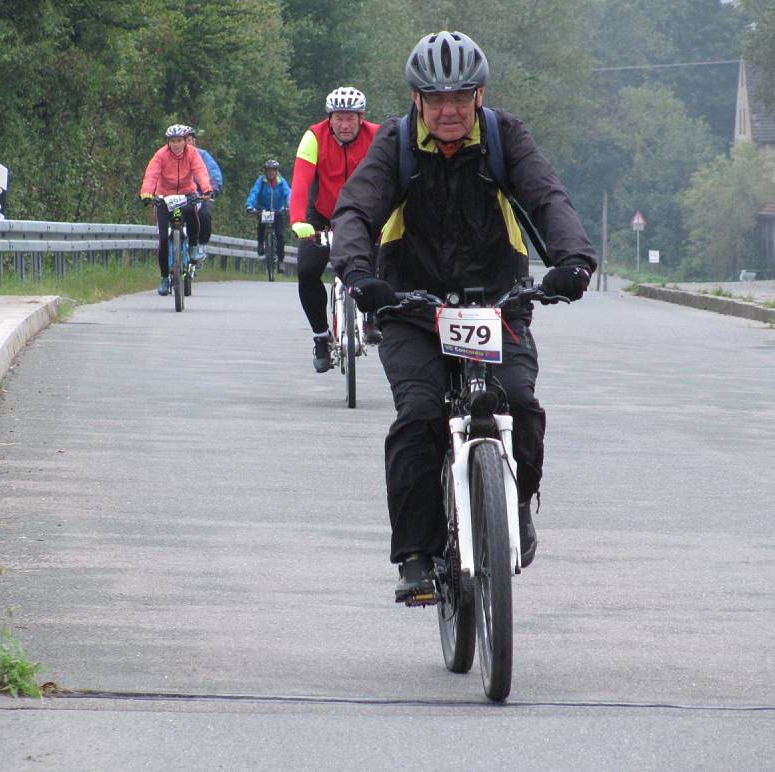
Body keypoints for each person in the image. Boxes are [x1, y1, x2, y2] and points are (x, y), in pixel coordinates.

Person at [330, 31, 597, 603]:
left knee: (519, 404)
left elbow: (548, 198)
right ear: (417, 100)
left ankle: (518, 503)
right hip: (410, 307)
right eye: (436, 99)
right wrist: (359, 275)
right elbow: (356, 209)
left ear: (478, 96)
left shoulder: (505, 138)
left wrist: (572, 262)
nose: (448, 110)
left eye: (460, 97)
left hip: (497, 303)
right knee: (421, 412)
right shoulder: (396, 145)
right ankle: (417, 555)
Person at [290, 86, 381, 372]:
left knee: (382, 262)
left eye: (350, 118)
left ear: (362, 118)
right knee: (306, 271)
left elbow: (392, 179)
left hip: (365, 213)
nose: (344, 125)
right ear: (329, 118)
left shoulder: (377, 137)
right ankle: (321, 337)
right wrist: (297, 221)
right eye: (338, 118)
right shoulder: (313, 137)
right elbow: (301, 183)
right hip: (321, 215)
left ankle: (374, 317)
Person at [140, 124, 212, 295]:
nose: (176, 144)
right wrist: (146, 193)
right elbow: (152, 174)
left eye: (179, 140)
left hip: (187, 194)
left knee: (193, 214)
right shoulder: (161, 155)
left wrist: (206, 189)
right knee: (163, 240)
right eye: (173, 141)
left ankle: (193, 246)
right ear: (168, 142)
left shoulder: (192, 154)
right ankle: (165, 278)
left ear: (185, 141)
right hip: (164, 196)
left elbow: (200, 171)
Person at [246, 159, 291, 273]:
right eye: (268, 171)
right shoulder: (261, 181)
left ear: (277, 172)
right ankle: (261, 244)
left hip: (278, 210)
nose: (271, 173)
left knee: (280, 235)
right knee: (261, 225)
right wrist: (250, 205)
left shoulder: (281, 182)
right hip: (264, 209)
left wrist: (289, 205)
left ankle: (281, 261)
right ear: (265, 172)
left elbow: (288, 193)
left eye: (273, 171)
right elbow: (254, 192)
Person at [186, 127, 223, 260]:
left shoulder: (202, 155)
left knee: (205, 216)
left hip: (200, 196)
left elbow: (213, 172)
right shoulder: (169, 157)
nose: (185, 143)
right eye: (181, 140)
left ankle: (201, 244)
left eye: (188, 139)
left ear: (193, 142)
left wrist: (213, 188)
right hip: (177, 196)